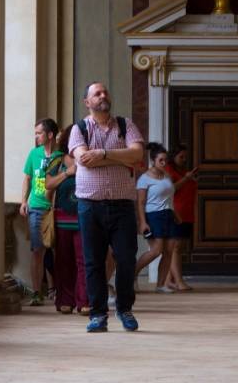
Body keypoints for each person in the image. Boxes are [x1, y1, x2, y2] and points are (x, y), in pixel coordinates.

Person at [69, 82, 144, 333]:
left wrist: (100, 153)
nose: (103, 96)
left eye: (105, 92)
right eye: (96, 94)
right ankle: (99, 314)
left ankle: (124, 309)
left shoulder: (126, 125)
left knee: (126, 259)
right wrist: (117, 156)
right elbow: (82, 160)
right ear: (87, 102)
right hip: (90, 206)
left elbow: (136, 155)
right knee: (93, 262)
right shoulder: (79, 129)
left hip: (123, 206)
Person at [45, 124, 87, 313]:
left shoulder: (88, 157)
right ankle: (65, 300)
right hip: (62, 216)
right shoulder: (56, 160)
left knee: (84, 260)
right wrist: (67, 173)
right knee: (63, 260)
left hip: (85, 215)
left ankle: (84, 301)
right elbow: (47, 184)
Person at [20, 118, 61, 306]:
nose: (36, 136)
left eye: (39, 133)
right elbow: (27, 178)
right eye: (35, 133)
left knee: (57, 251)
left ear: (50, 135)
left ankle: (56, 289)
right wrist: (23, 201)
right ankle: (37, 292)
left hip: (56, 209)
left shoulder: (61, 156)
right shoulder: (34, 154)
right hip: (36, 207)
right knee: (37, 251)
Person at [135, 144, 180, 292]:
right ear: (153, 160)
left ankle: (161, 285)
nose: (164, 163)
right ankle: (131, 274)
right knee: (156, 250)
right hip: (153, 216)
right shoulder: (144, 179)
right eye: (161, 160)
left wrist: (175, 214)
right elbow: (140, 203)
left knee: (169, 250)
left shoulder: (166, 176)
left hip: (168, 214)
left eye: (166, 160)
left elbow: (169, 198)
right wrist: (142, 222)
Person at [165, 143, 198, 291]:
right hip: (175, 213)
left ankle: (168, 281)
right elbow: (170, 189)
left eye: (185, 156)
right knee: (175, 247)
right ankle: (179, 281)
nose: (184, 159)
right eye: (181, 156)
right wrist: (186, 179)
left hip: (188, 213)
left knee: (180, 246)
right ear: (173, 157)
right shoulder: (168, 170)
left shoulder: (185, 171)